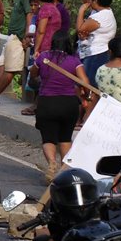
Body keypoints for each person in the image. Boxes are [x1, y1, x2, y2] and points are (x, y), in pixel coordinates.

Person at [32, 35, 87, 181]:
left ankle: (51, 162)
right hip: (69, 104)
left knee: (48, 138)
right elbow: (84, 81)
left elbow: (33, 74)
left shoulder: (44, 57)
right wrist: (85, 95)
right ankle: (65, 173)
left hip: (47, 102)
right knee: (65, 138)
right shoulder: (74, 61)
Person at [78, 0, 120, 88]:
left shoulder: (101, 16)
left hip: (96, 54)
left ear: (95, 0)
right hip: (94, 54)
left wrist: (81, 11)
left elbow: (80, 28)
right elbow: (83, 32)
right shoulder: (103, 13)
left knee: (89, 86)